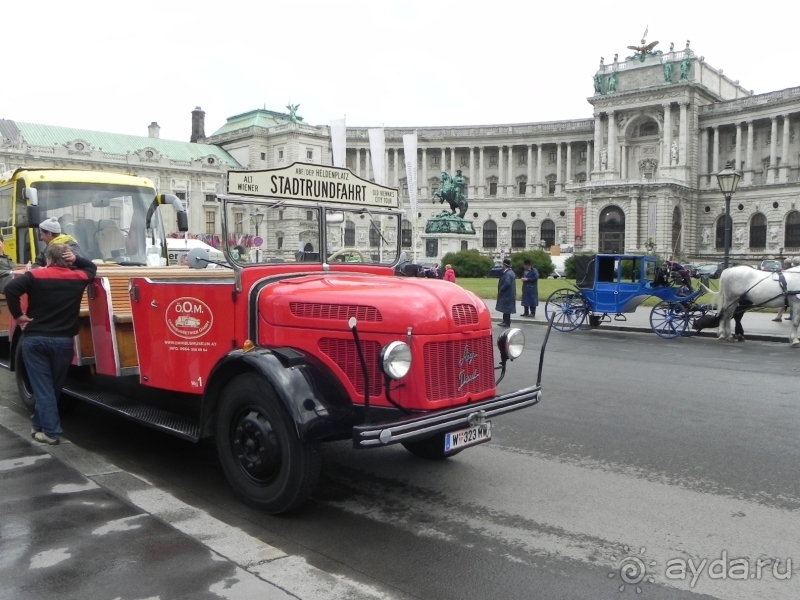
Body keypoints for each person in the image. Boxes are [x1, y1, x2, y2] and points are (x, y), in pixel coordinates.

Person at [5, 244, 97, 445]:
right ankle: (38, 425)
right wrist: (76, 260)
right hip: (63, 342)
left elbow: (10, 289)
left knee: (43, 388)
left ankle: (51, 432)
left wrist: (19, 316)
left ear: (48, 259)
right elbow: (91, 268)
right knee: (52, 387)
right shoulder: (79, 277)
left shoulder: (36, 275)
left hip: (36, 339)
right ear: (68, 259)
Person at [495, 258, 516, 327]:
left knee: (506, 308)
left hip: (507, 294)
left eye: (502, 265)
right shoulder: (510, 272)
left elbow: (507, 284)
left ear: (504, 265)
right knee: (506, 308)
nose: (502, 266)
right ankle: (505, 321)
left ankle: (506, 322)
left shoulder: (508, 274)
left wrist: (501, 290)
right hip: (509, 294)